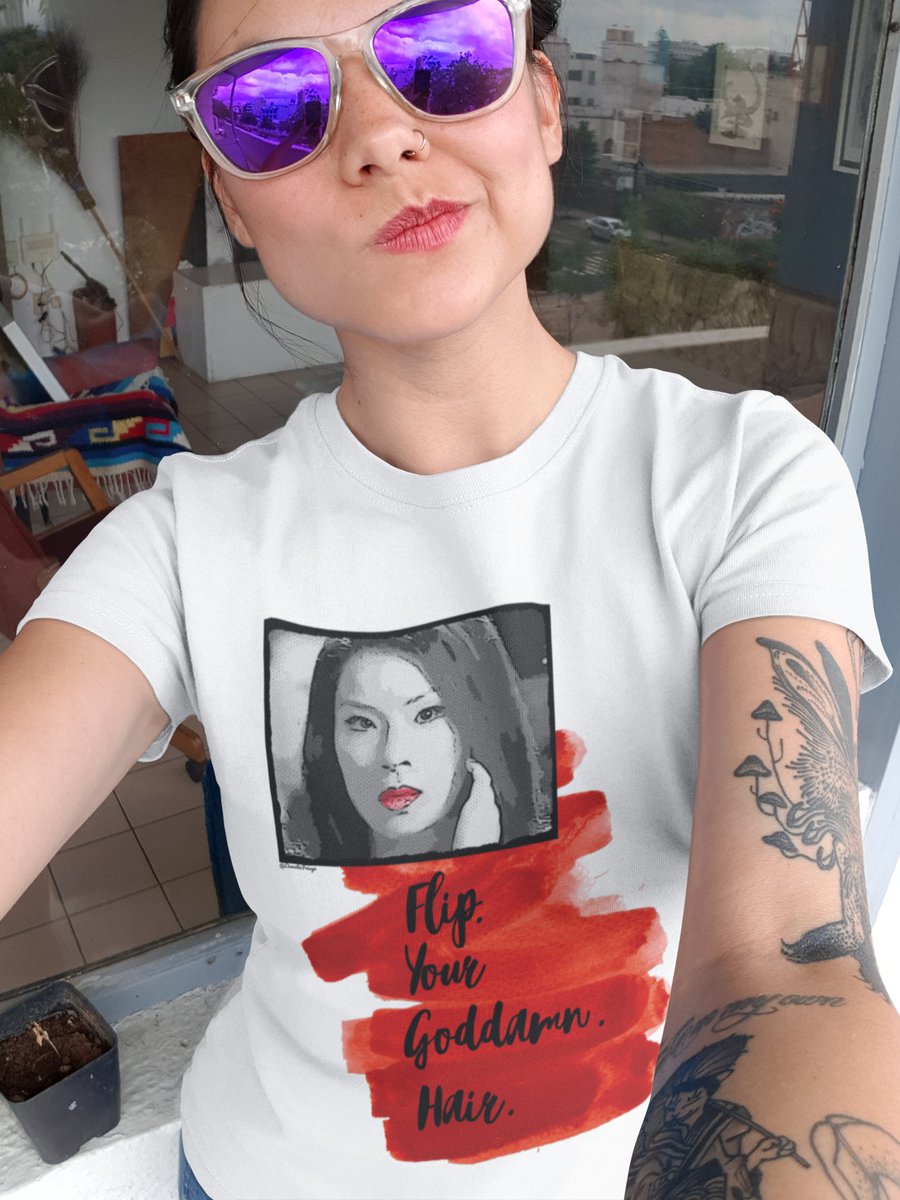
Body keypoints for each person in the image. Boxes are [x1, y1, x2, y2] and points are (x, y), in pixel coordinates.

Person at [1, 1, 898, 1199]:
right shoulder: (181, 542)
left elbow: (784, 965)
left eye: (443, 52)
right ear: (232, 199)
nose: (381, 135)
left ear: (542, 105)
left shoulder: (744, 479)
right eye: (275, 105)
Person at [280, 617, 551, 863]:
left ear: (480, 721)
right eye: (362, 722)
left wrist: (475, 862)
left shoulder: (551, 866)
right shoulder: (295, 862)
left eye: (426, 714)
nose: (393, 756)